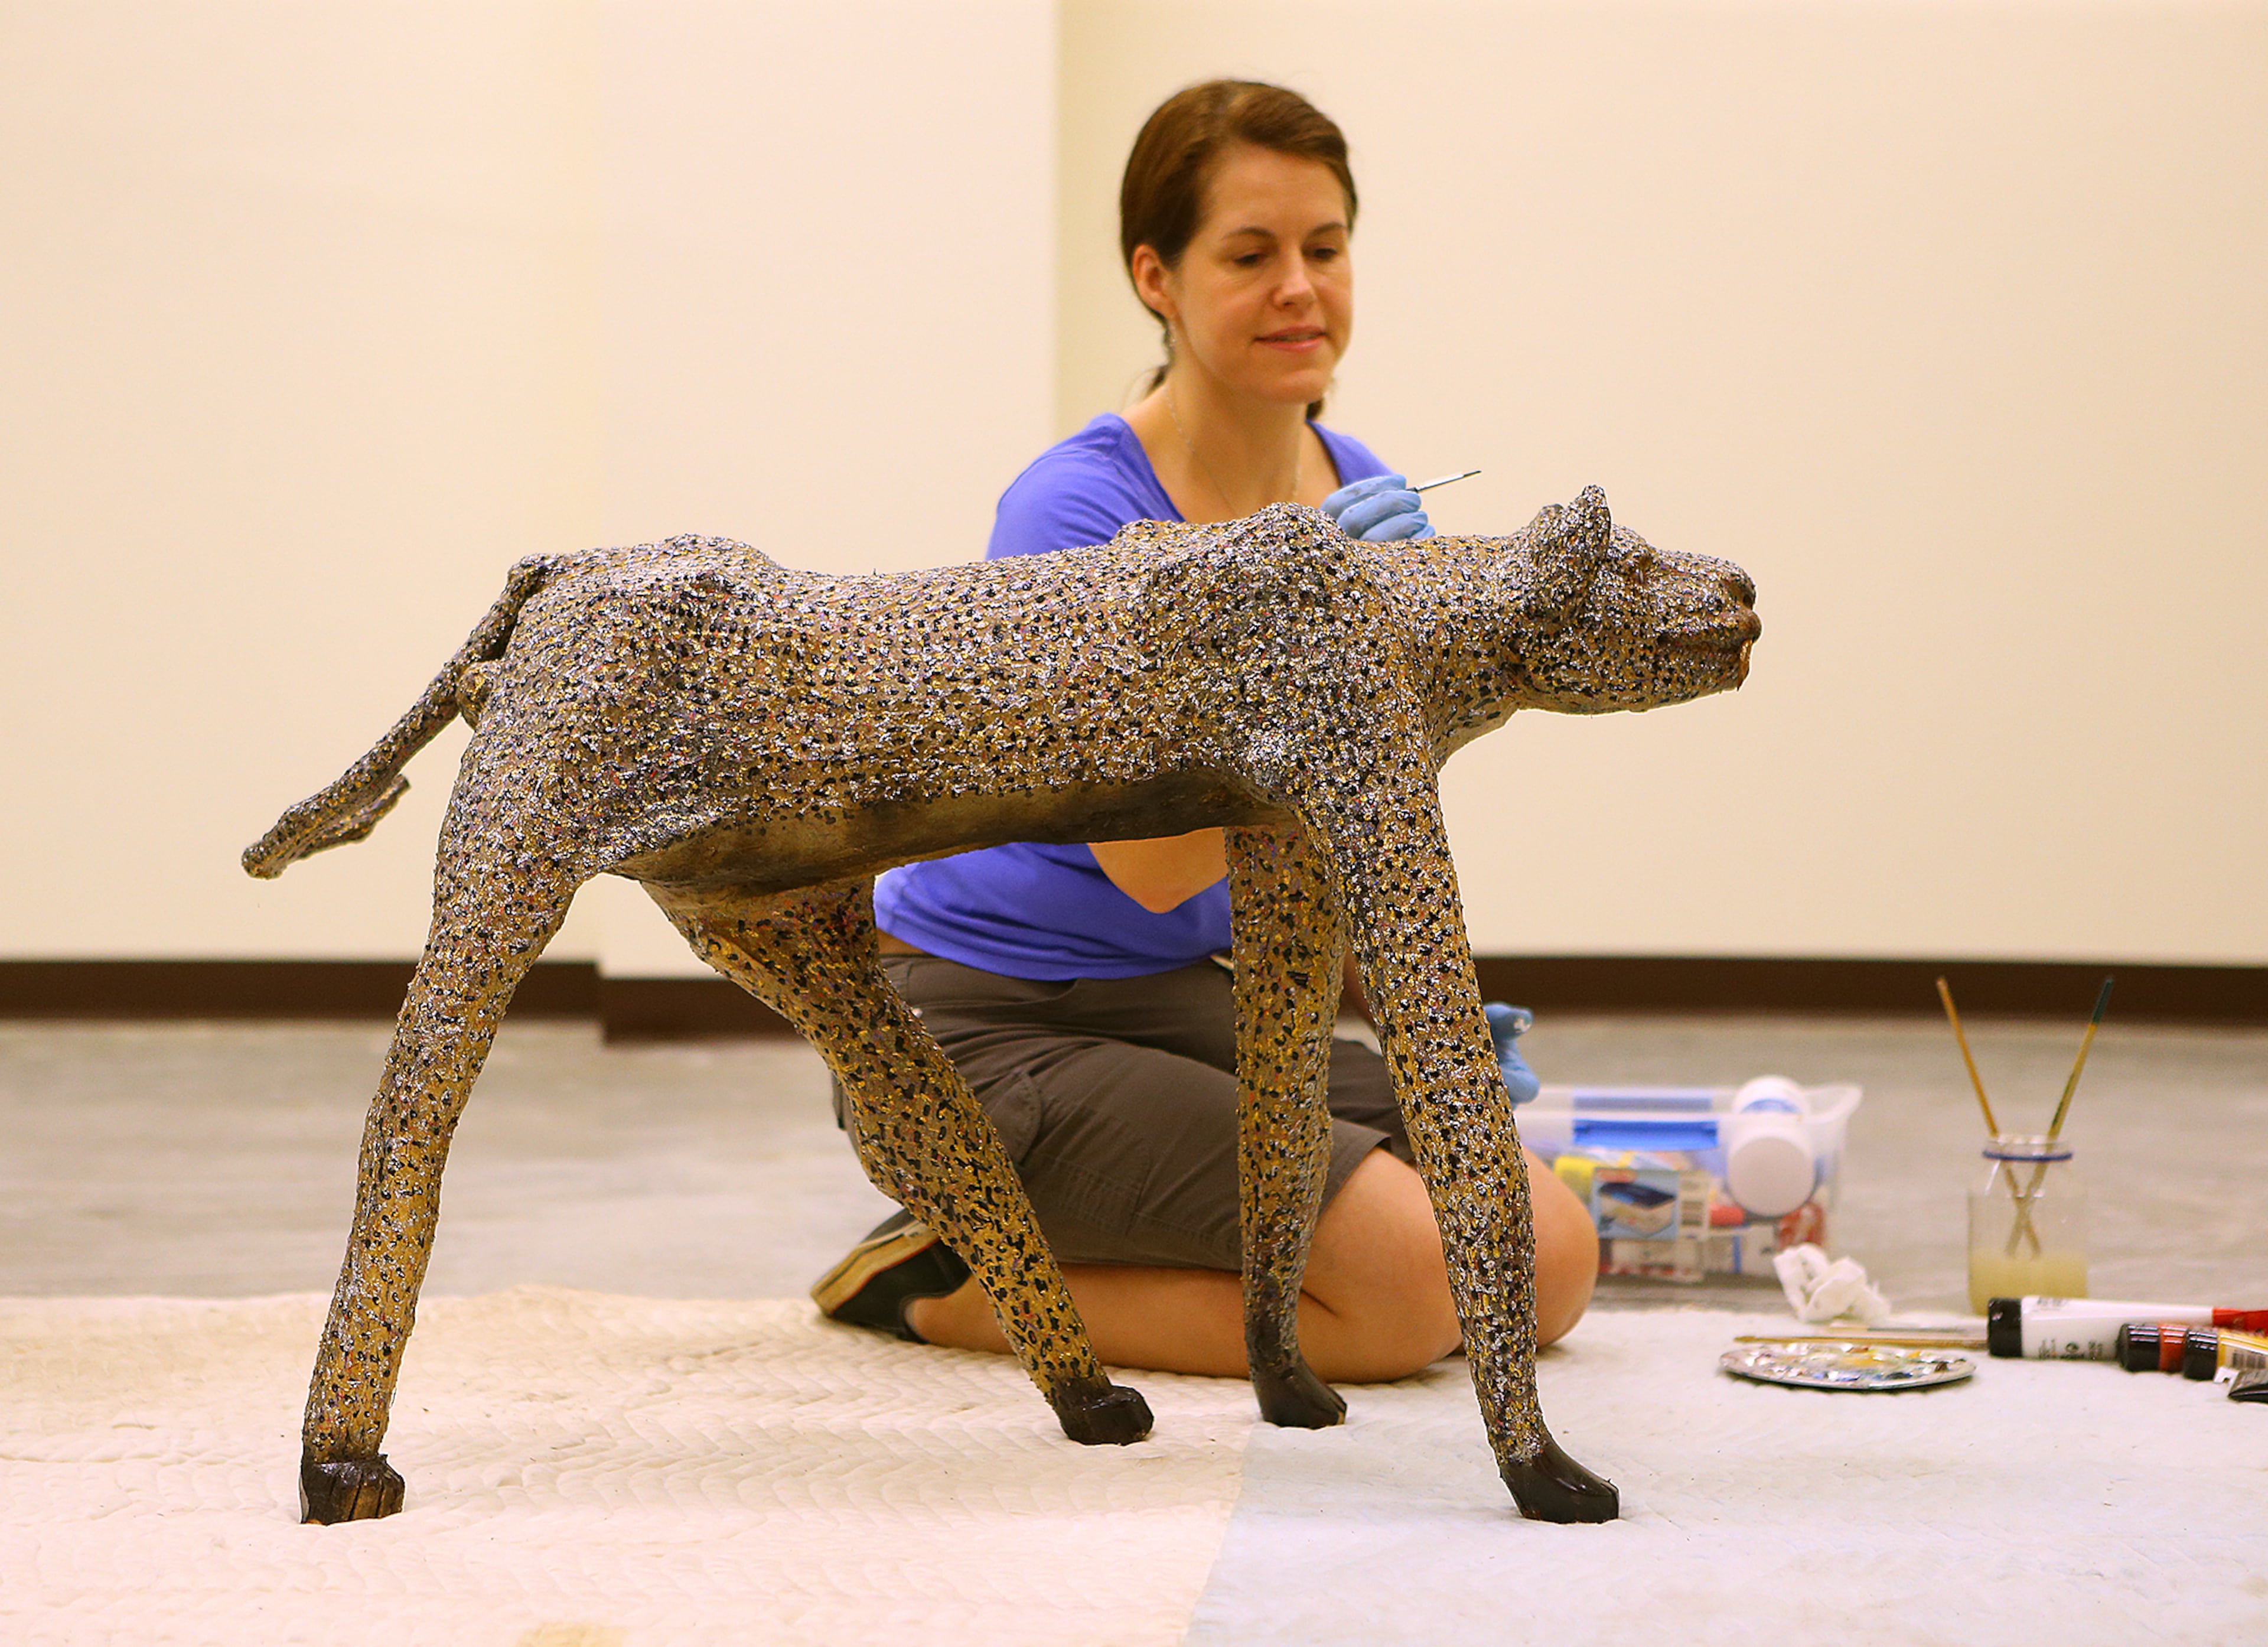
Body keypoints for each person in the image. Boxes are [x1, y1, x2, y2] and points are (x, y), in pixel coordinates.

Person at [810, 80, 1599, 1383]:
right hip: (979, 1030)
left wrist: (1411, 1011)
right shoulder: (1073, 517)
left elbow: (1350, 816)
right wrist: (1291, 646)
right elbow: (1159, 864)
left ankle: (1079, 1240)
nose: (1301, 287)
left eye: (1326, 248)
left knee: (1550, 1257)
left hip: (1177, 1004)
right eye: (1250, 255)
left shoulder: (1353, 486)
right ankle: (938, 1279)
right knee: (1406, 1293)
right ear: (1155, 276)